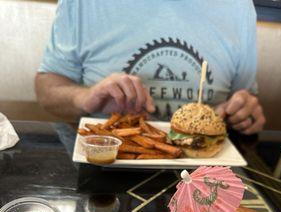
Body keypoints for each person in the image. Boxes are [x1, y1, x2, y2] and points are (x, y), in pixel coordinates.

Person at [35, 0, 266, 134]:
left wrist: (244, 113)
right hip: (104, 163)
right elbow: (47, 90)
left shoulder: (238, 7)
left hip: (208, 175)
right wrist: (85, 97)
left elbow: (246, 100)